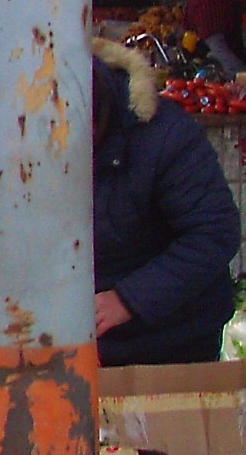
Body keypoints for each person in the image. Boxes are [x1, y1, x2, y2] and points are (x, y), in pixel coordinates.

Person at [91, 37, 241, 365]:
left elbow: (214, 232)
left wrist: (128, 300)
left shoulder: (166, 135)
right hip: (79, 342)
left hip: (173, 339)